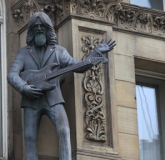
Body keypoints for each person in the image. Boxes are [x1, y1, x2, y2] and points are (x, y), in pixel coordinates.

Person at [7, 12, 116, 160]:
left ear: (47, 29)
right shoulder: (23, 53)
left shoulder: (59, 52)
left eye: (42, 26)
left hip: (53, 99)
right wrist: (24, 87)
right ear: (31, 30)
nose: (39, 29)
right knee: (29, 137)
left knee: (64, 130)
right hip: (31, 100)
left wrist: (95, 53)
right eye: (35, 26)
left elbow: (78, 66)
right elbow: (12, 75)